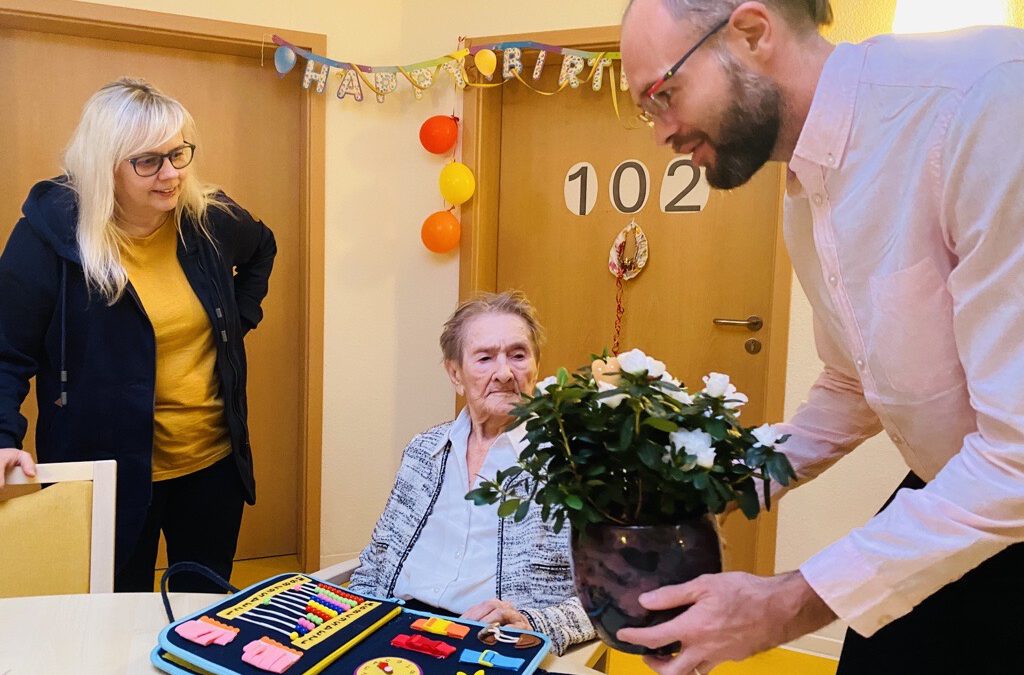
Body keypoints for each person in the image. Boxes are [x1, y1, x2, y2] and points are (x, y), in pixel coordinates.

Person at [618, 1, 1024, 673]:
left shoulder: (985, 103)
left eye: (663, 94)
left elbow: (1016, 457)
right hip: (965, 489)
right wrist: (723, 482)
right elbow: (851, 381)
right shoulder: (805, 188)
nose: (659, 132)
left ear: (751, 32)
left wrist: (781, 603)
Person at [0, 77, 276, 592]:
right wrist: (1, 438)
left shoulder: (206, 219)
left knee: (206, 609)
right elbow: (6, 350)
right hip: (106, 471)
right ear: (104, 165)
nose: (171, 174)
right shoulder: (51, 238)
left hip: (211, 463)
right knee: (111, 610)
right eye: (147, 161)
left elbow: (263, 247)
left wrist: (237, 322)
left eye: (178, 154)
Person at [347, 290, 594, 655]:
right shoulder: (423, 451)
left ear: (537, 367)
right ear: (455, 374)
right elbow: (376, 561)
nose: (505, 373)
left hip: (491, 643)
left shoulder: (570, 464)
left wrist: (534, 624)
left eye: (518, 355)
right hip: (394, 627)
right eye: (484, 358)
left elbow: (612, 598)